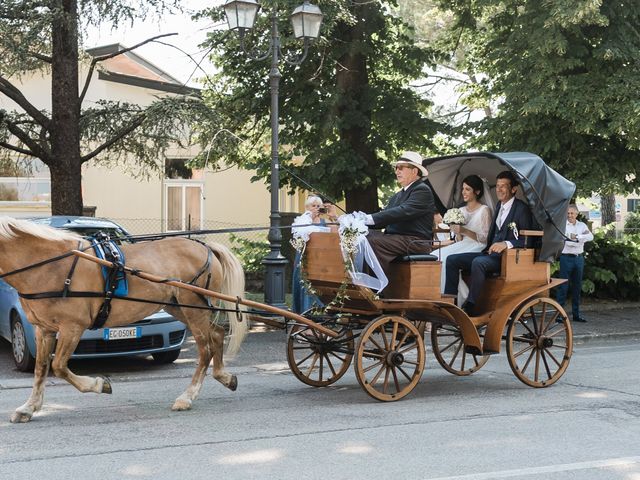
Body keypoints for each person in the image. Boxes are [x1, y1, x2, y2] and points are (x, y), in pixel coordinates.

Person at [444, 170, 533, 317]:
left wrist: (506, 243)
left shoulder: (521, 209)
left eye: (503, 186)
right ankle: (451, 304)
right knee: (452, 260)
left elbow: (528, 239)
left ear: (514, 189)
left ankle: (471, 305)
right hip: (489, 253)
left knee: (479, 262)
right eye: (497, 186)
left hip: (507, 258)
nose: (499, 189)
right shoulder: (499, 206)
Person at [364, 151, 436, 273]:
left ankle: (372, 286)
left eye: (401, 168)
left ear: (414, 171)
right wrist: (357, 222)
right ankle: (358, 281)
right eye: (396, 168)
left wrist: (367, 218)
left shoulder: (422, 190)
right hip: (398, 239)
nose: (397, 171)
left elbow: (403, 211)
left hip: (416, 241)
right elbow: (383, 220)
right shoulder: (397, 195)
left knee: (371, 241)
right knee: (362, 236)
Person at [431, 175, 493, 302]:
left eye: (468, 189)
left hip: (477, 246)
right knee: (434, 255)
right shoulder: (460, 210)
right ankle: (438, 295)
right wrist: (457, 231)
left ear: (477, 192)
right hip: (463, 244)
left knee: (446, 258)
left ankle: (454, 298)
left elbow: (485, 239)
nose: (463, 192)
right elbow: (459, 239)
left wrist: (464, 230)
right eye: (463, 189)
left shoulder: (484, 210)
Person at [291, 195, 336, 313]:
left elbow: (335, 234)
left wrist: (332, 217)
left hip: (321, 259)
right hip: (306, 258)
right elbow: (300, 236)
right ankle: (304, 314)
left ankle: (319, 315)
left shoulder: (324, 221)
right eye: (313, 206)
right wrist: (310, 216)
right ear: (307, 207)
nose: (316, 208)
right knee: (305, 284)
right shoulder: (302, 220)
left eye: (318, 206)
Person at [555, 204, 593, 323]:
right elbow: (566, 240)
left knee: (577, 287)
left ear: (577, 214)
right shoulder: (562, 225)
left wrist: (578, 237)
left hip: (578, 259)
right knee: (563, 287)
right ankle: (559, 315)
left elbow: (590, 236)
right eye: (568, 213)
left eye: (572, 213)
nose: (570, 215)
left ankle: (576, 315)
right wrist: (578, 240)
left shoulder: (582, 225)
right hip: (566, 258)